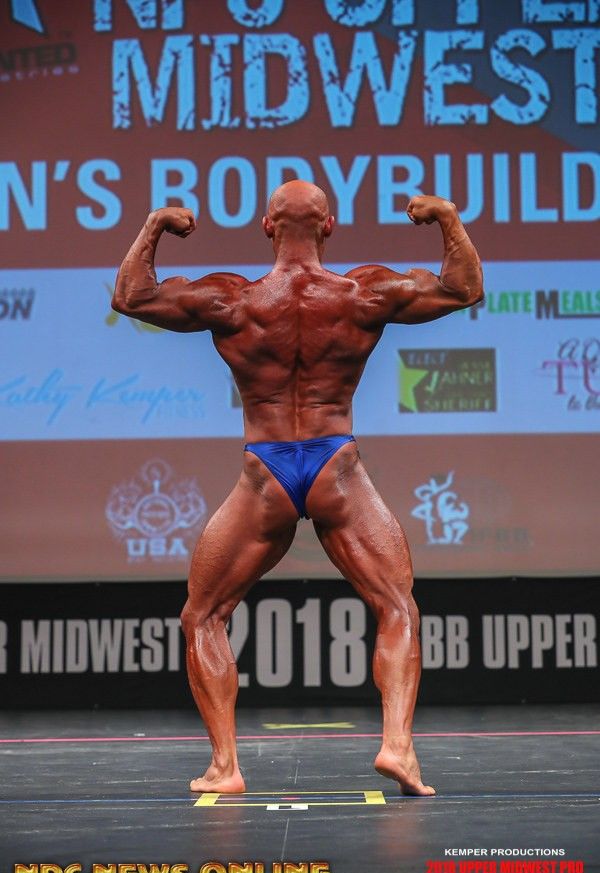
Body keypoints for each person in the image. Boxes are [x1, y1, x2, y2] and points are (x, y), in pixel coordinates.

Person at [112, 182, 483, 796]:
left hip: (267, 473)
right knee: (397, 607)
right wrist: (446, 216)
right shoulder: (362, 292)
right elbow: (463, 288)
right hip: (336, 465)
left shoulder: (234, 299)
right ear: (329, 226)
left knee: (203, 615)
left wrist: (154, 226)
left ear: (266, 226)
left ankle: (226, 767)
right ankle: (397, 746)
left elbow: (131, 296)